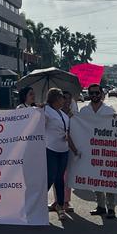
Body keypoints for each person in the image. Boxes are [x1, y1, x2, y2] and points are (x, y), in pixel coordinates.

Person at [83, 84, 117, 218]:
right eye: (91, 93)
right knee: (95, 179)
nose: (94, 96)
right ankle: (101, 206)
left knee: (108, 180)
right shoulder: (84, 111)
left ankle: (111, 208)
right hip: (91, 150)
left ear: (101, 93)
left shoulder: (109, 110)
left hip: (107, 150)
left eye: (97, 93)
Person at [43, 88, 78, 221]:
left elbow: (67, 133)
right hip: (50, 149)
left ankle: (61, 206)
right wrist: (40, 108)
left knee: (60, 179)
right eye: (62, 97)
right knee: (51, 177)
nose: (64, 100)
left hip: (63, 150)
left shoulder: (63, 114)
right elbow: (37, 122)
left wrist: (74, 150)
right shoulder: (46, 111)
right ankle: (39, 203)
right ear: (55, 99)